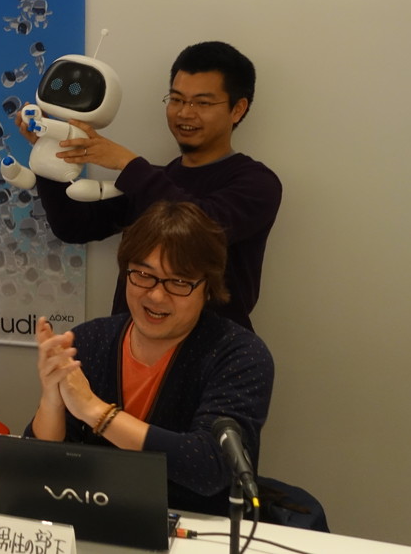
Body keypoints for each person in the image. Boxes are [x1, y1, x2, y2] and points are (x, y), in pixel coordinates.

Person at [25, 200, 274, 516]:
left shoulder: (240, 354)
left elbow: (211, 465)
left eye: (179, 282)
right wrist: (52, 397)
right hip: (95, 517)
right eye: (143, 275)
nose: (156, 295)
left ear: (207, 287)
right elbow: (41, 466)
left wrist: (95, 410)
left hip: (200, 526)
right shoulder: (89, 341)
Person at [19, 41, 280, 329]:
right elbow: (73, 226)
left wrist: (128, 164)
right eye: (177, 99)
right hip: (131, 344)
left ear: (238, 109)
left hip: (215, 349)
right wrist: (50, 155)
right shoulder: (151, 180)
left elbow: (201, 229)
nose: (185, 112)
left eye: (203, 103)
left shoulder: (258, 183)